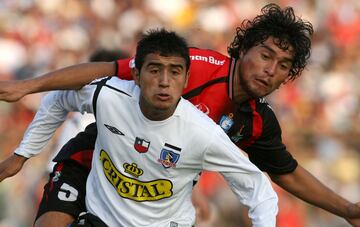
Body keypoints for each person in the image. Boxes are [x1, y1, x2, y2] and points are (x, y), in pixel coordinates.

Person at [0, 3, 359, 226]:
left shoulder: (256, 123)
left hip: (149, 201)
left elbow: (287, 174)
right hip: (94, 159)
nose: (270, 70)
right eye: (265, 56)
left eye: (283, 66)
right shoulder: (190, 69)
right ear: (244, 49)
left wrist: (345, 208)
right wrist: (26, 88)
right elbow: (108, 69)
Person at [8, 28, 279, 226]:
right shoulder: (109, 96)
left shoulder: (203, 133)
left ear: (186, 80)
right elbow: (58, 99)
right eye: (154, 70)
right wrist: (21, 156)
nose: (164, 81)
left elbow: (258, 189)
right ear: (135, 74)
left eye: (174, 72)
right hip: (99, 213)